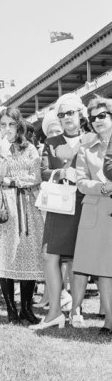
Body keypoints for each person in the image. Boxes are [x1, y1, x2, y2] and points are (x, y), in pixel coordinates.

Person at [0, 108, 44, 325]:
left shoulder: (30, 148)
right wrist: (3, 152)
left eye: (11, 124)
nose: (7, 129)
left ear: (19, 126)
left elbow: (35, 176)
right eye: (3, 125)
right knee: (5, 254)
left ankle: (27, 307)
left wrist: (13, 181)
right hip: (4, 209)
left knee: (28, 254)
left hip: (27, 207)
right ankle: (10, 308)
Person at [29, 94, 87, 330]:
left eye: (70, 113)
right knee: (49, 255)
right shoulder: (50, 143)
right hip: (59, 206)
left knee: (79, 259)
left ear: (80, 114)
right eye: (61, 115)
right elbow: (41, 173)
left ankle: (77, 310)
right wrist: (60, 174)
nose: (65, 118)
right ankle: (54, 312)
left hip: (85, 205)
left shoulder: (93, 139)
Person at [71, 96, 112, 334]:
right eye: (92, 118)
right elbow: (81, 182)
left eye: (102, 116)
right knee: (103, 268)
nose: (97, 121)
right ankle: (109, 321)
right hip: (96, 210)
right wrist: (104, 188)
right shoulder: (85, 148)